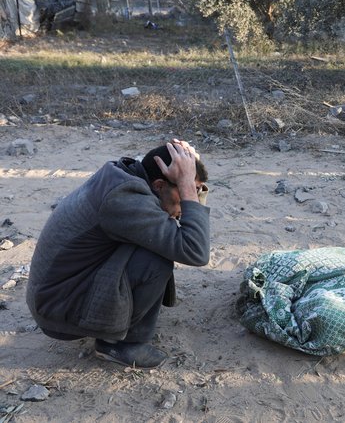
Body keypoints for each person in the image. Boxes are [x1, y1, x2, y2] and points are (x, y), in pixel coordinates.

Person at [26, 139, 211, 368]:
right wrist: (186, 185)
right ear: (159, 185)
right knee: (156, 259)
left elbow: (186, 231)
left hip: (57, 292)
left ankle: (114, 326)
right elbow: (196, 250)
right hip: (58, 310)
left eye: (196, 190)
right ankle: (118, 344)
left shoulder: (127, 177)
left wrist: (191, 176)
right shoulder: (125, 198)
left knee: (159, 240)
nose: (189, 198)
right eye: (186, 191)